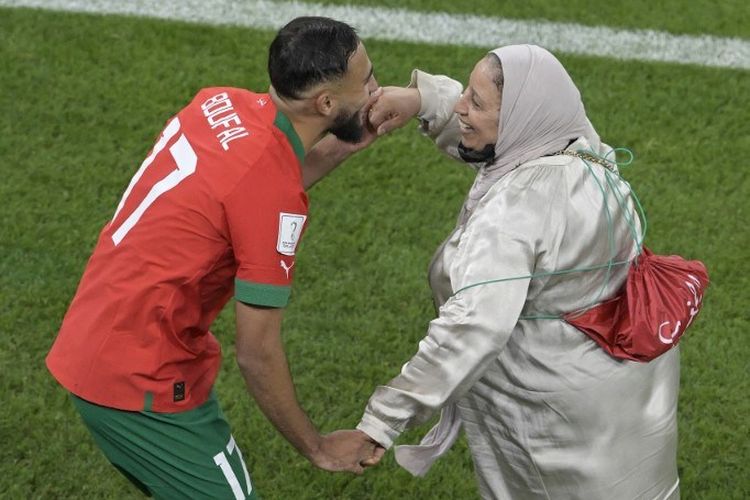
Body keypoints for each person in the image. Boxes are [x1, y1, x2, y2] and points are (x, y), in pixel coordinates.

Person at [46, 16, 384, 499]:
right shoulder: (268, 195)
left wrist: (352, 141)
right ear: (326, 103)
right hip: (140, 378)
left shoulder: (220, 102)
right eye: (367, 79)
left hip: (96, 336)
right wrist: (319, 448)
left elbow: (253, 188)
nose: (375, 88)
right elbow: (256, 352)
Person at [359, 45, 681, 499]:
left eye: (476, 101)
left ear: (521, 119)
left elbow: (473, 325)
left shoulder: (517, 208)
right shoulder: (581, 146)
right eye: (464, 93)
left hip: (555, 426)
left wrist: (382, 419)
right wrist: (424, 100)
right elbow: (498, 139)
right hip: (627, 405)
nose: (460, 106)